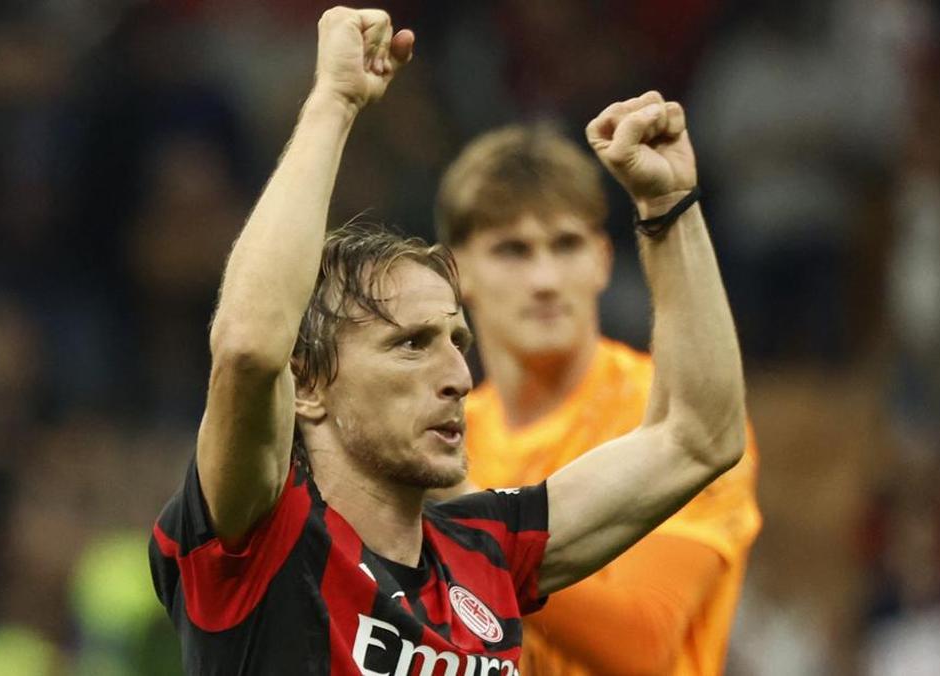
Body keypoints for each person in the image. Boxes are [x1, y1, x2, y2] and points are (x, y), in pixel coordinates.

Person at [148, 7, 747, 675]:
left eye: (457, 341)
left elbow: (699, 436)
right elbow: (248, 349)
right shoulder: (263, 536)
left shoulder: (487, 548)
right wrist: (334, 103)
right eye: (411, 344)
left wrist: (669, 207)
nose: (460, 376)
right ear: (308, 384)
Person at [435, 124, 760, 675]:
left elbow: (644, 643)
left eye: (566, 245)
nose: (545, 278)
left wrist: (468, 525)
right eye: (512, 250)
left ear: (603, 259)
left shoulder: (672, 414)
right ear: (455, 271)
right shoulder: (445, 430)